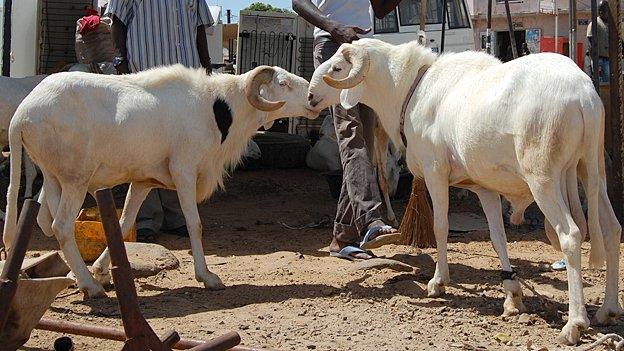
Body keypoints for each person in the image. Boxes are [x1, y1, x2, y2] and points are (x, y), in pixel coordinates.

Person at [293, 0, 401, 260]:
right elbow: (298, 2)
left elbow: (381, 8)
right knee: (352, 137)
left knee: (365, 143)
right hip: (334, 48)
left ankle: (342, 239)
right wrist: (333, 26)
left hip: (365, 50)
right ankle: (370, 220)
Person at [106, 0, 214, 242]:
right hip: (146, 79)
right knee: (145, 150)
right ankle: (146, 219)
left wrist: (207, 73)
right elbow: (118, 20)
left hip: (187, 83)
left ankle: (177, 217)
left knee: (182, 151)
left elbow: (198, 29)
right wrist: (121, 64)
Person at [587, 0, 610, 85]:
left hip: (608, 58)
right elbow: (590, 43)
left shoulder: (609, 24)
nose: (602, 12)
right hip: (598, 59)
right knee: (599, 83)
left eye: (604, 10)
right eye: (600, 10)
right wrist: (595, 61)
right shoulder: (595, 23)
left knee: (608, 82)